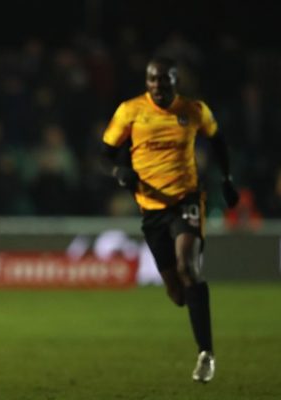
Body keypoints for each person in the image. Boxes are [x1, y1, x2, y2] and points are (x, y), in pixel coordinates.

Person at [101, 57, 239, 383]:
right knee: (177, 293)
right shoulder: (130, 110)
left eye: (164, 80)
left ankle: (206, 354)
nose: (157, 86)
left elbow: (217, 140)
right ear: (146, 82)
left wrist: (227, 179)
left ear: (175, 81)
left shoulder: (193, 111)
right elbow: (107, 151)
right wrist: (120, 170)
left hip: (186, 200)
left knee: (189, 268)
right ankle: (186, 292)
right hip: (152, 209)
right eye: (152, 80)